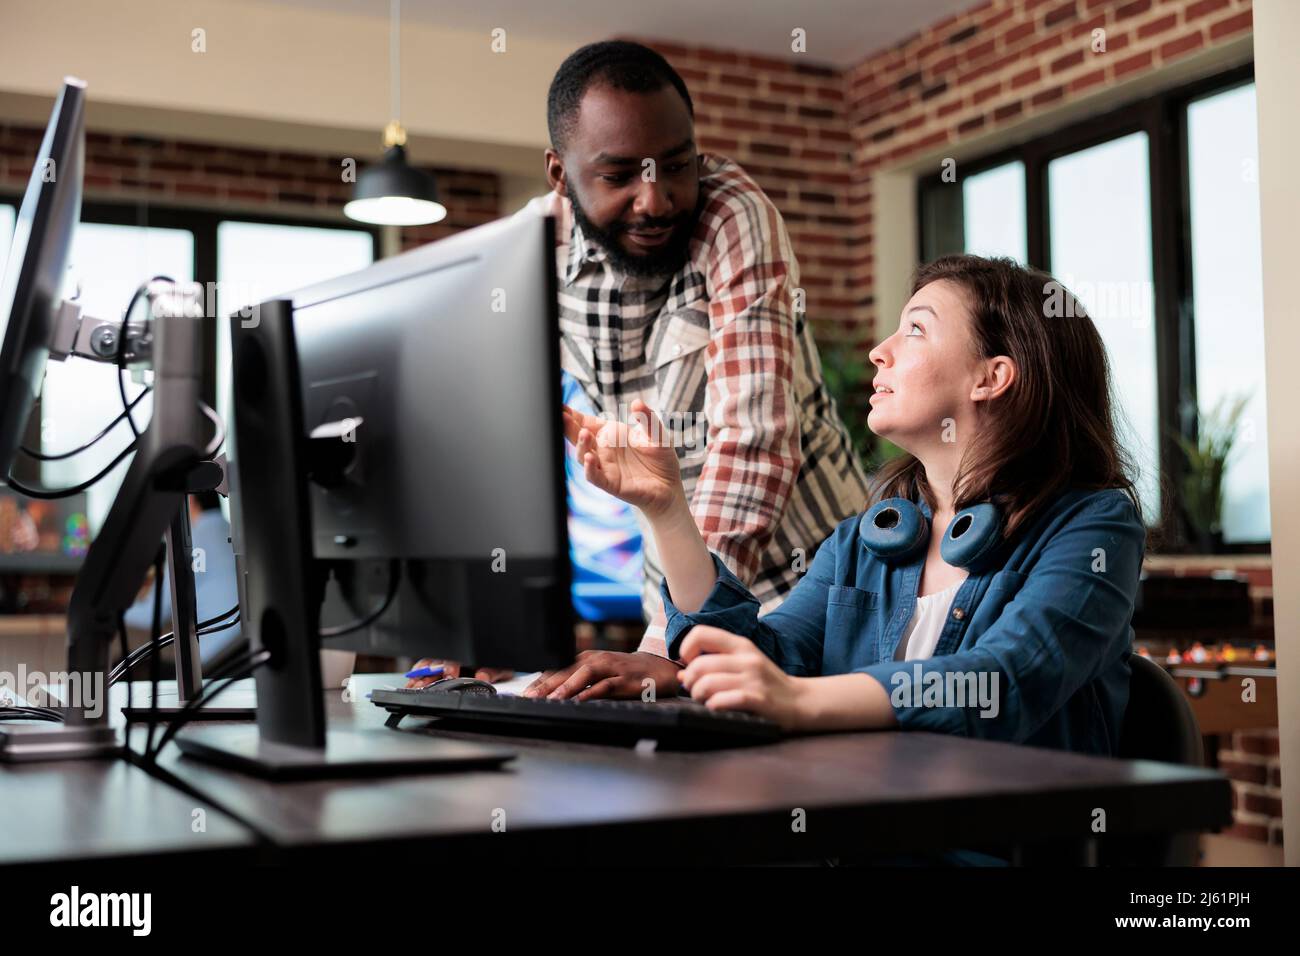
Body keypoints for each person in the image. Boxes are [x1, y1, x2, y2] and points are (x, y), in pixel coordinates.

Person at [408, 39, 869, 695]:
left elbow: (753, 438)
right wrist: (482, 624)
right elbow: (491, 442)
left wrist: (679, 640)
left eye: (675, 166)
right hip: (680, 582)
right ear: (558, 174)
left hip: (816, 582)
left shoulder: (734, 215)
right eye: (619, 176)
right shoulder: (530, 252)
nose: (654, 201)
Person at [559, 253, 1146, 756]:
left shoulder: (1095, 526)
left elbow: (1004, 679)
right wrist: (667, 512)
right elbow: (772, 655)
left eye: (915, 329)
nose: (879, 352)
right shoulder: (868, 539)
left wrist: (796, 699)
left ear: (991, 377)